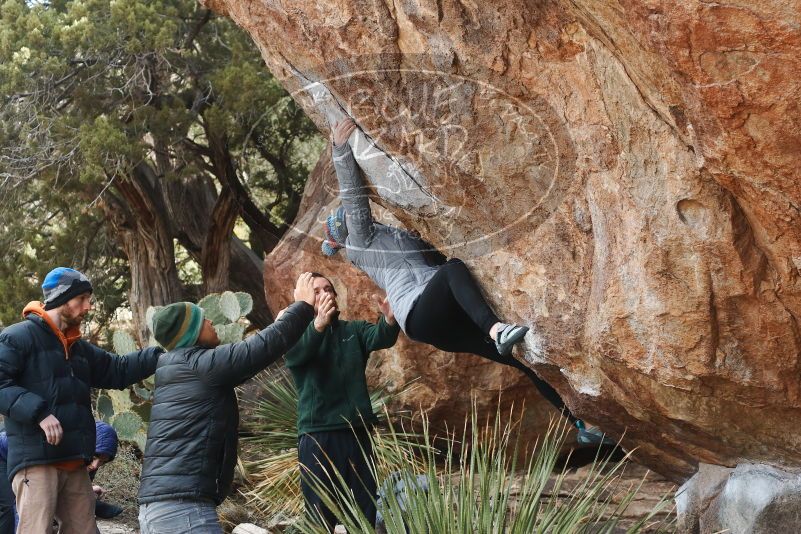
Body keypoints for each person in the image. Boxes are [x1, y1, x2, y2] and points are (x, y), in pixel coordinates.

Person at [324, 119, 609, 445]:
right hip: (419, 312)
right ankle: (495, 329)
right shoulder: (359, 244)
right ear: (344, 235)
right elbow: (353, 199)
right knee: (453, 270)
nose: (348, 218)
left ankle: (581, 427)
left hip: (437, 320)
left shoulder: (384, 239)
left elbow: (426, 257)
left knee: (523, 359)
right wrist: (340, 149)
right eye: (342, 221)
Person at [137, 273, 318, 533]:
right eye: (202, 320)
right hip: (183, 512)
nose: (211, 321)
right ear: (191, 333)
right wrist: (303, 306)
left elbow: (248, 355)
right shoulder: (198, 365)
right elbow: (256, 350)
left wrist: (280, 327)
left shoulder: (178, 366)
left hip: (162, 510)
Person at [0, 267, 163, 534]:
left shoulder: (78, 348)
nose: (88, 306)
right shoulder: (17, 337)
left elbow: (118, 370)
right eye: (82, 298)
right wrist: (39, 413)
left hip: (74, 462)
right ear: (62, 298)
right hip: (36, 461)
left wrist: (161, 355)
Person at [282, 272, 400, 530]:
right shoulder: (296, 334)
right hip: (318, 436)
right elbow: (295, 357)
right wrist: (318, 326)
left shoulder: (352, 330)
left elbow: (381, 336)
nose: (326, 294)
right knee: (320, 515)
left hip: (357, 433)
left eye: (329, 289)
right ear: (305, 300)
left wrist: (390, 320)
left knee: (364, 511)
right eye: (317, 291)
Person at [0, 421, 123, 534]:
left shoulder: (84, 456)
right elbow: (28, 509)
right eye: (95, 457)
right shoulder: (56, 443)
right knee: (11, 508)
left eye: (102, 461)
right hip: (7, 457)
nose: (95, 465)